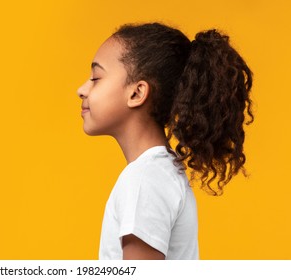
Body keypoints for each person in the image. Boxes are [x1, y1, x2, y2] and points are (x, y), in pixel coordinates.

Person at [76, 22, 254, 260]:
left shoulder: (144, 180)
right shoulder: (158, 173)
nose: (82, 89)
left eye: (96, 78)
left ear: (137, 93)